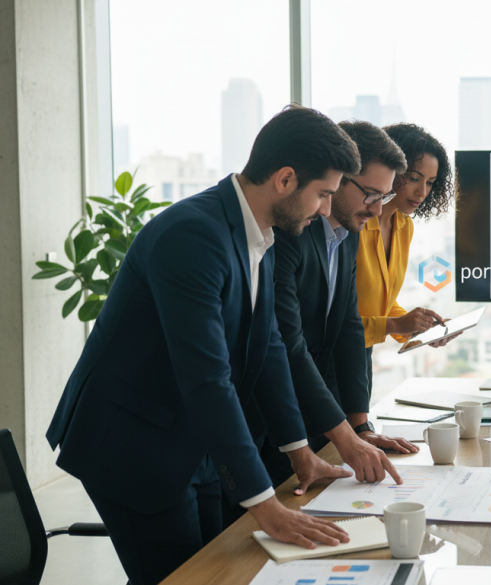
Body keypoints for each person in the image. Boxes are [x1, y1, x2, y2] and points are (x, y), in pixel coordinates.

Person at [46, 106, 356, 585]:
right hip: (134, 443)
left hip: (193, 439)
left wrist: (299, 450)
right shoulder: (193, 235)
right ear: (286, 179)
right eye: (323, 195)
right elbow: (207, 377)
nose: (326, 211)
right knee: (184, 577)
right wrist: (267, 505)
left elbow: (269, 344)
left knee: (225, 570)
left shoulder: (260, 234)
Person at [254, 119, 419, 494]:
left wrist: (360, 427)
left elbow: (347, 327)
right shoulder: (291, 231)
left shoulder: (346, 235)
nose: (377, 210)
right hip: (270, 415)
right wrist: (345, 438)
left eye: (383, 198)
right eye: (371, 195)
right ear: (341, 179)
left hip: (315, 412)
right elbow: (288, 342)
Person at [357, 123, 460, 388]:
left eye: (430, 183)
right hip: (332, 354)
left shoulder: (404, 226)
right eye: (414, 178)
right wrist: (395, 325)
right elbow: (335, 317)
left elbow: (381, 300)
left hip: (361, 356)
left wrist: (415, 327)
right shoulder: (354, 225)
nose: (422, 192)